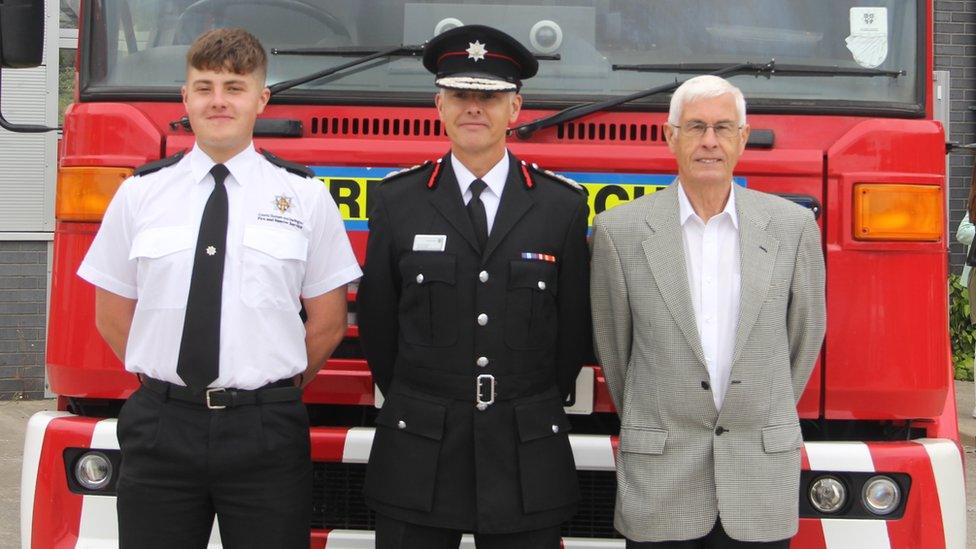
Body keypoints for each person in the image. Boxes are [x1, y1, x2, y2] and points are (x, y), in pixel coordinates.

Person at [77, 28, 361, 548]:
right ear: (184, 98)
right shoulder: (139, 194)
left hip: (265, 434)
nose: (218, 100)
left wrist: (271, 391)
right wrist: (168, 388)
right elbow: (111, 313)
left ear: (261, 99)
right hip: (162, 427)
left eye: (234, 87)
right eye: (204, 87)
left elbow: (329, 321)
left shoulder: (305, 196)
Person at [357, 24, 590, 549]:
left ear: (516, 108)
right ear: (439, 105)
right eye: (461, 95)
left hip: (524, 446)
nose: (474, 108)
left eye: (489, 96)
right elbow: (379, 325)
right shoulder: (398, 201)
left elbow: (571, 332)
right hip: (420, 445)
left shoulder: (561, 207)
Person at [590, 75, 826, 548]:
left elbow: (804, 337)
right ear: (669, 135)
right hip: (662, 479)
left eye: (723, 127)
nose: (709, 141)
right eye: (695, 126)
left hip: (758, 479)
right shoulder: (620, 232)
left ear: (742, 137)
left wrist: (756, 408)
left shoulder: (793, 227)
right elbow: (616, 351)